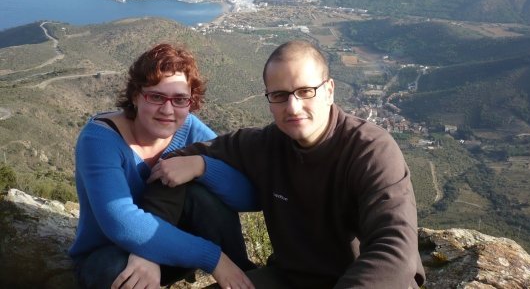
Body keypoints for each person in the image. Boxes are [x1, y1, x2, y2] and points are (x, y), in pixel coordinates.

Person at [147, 40, 426, 288]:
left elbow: (394, 253)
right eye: (279, 95)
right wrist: (146, 251)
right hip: (289, 278)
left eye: (305, 91)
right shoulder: (264, 144)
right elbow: (170, 165)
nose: (292, 107)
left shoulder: (370, 151)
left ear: (329, 91)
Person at [69, 43, 256, 289]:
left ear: (191, 101)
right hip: (113, 256)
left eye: (180, 99)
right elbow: (121, 221)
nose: (168, 110)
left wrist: (201, 166)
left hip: (178, 252)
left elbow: (249, 198)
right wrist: (213, 258)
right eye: (156, 96)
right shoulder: (100, 139)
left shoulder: (190, 128)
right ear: (136, 96)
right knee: (116, 272)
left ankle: (246, 279)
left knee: (203, 194)